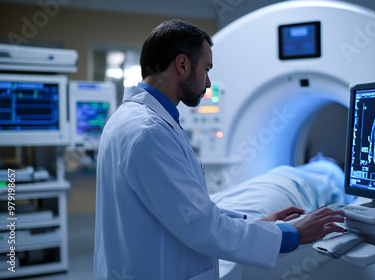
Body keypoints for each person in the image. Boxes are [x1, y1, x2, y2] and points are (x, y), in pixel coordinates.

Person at [94, 19, 346, 280]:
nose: (209, 82)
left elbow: (184, 210)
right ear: (182, 65)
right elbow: (200, 225)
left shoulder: (129, 119)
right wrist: (293, 234)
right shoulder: (150, 132)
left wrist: (255, 224)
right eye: (206, 68)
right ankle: (326, 165)